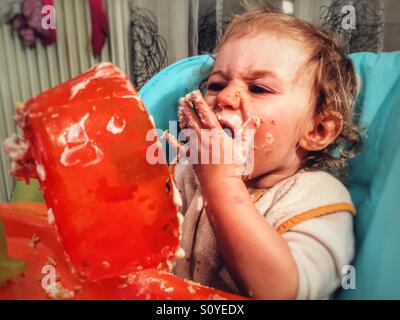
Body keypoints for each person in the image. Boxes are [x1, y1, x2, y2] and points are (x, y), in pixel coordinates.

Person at [164, 10, 362, 300]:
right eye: (217, 84)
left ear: (317, 130)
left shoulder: (318, 198)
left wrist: (222, 183)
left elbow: (280, 290)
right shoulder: (186, 170)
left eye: (258, 88)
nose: (225, 97)